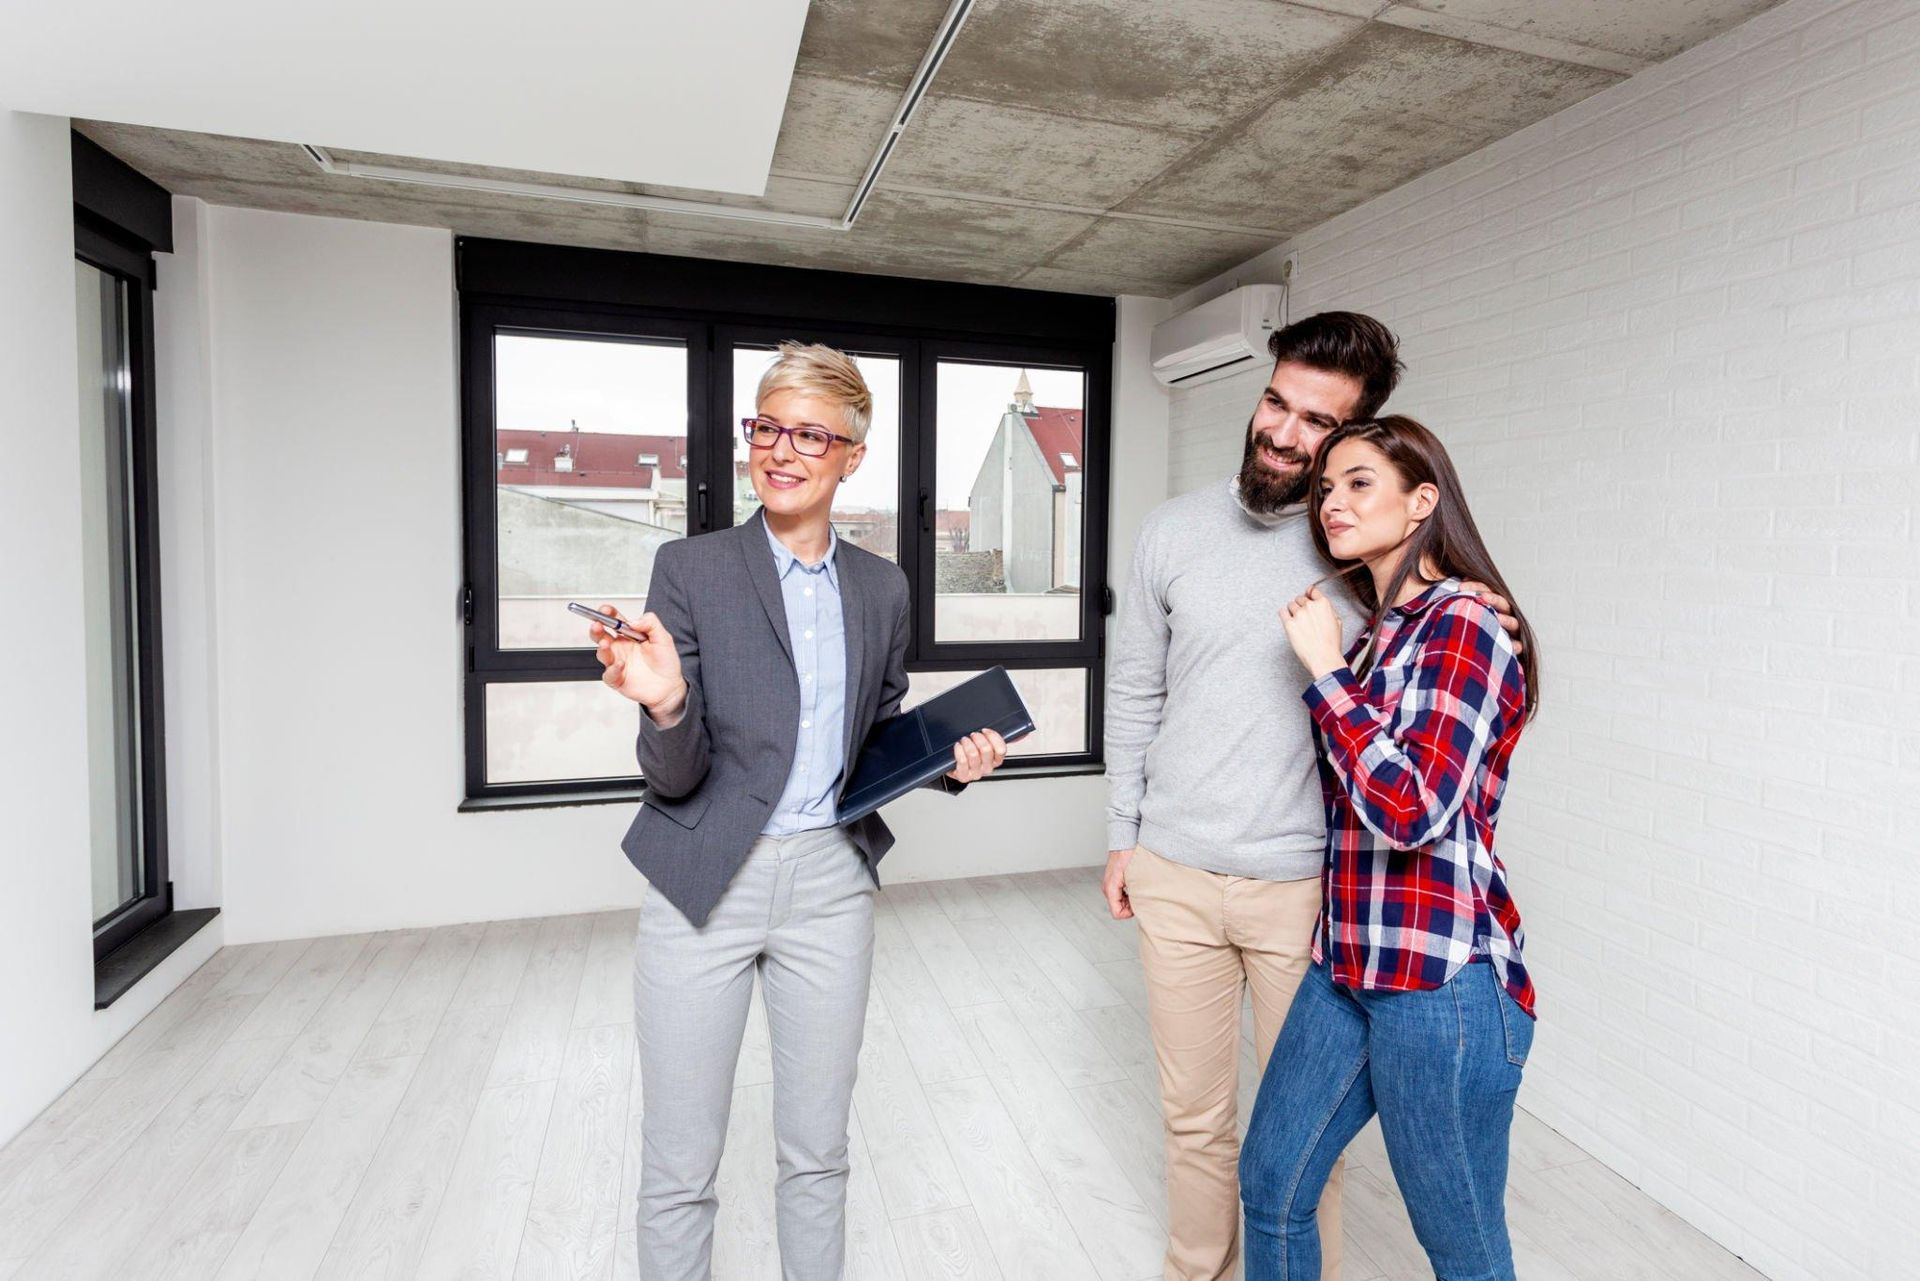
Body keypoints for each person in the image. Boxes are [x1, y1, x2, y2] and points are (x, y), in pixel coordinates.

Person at [1104, 312, 1522, 1281]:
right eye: (1275, 403)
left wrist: (1477, 600)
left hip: (1308, 890)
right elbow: (1134, 690)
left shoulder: (1357, 548)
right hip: (1172, 866)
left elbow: (1441, 642)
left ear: (1351, 439)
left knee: (1303, 1143)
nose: (1285, 433)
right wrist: (1121, 834)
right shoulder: (1171, 531)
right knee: (1198, 1119)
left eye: (1316, 423)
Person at [588, 341, 1008, 1281]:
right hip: (704, 875)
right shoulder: (689, 569)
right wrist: (664, 703)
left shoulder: (883, 587)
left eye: (810, 433)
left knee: (818, 1152)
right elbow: (675, 772)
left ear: (852, 454)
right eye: (767, 426)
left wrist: (950, 764)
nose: (782, 450)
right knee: (680, 1164)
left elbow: (877, 730)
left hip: (830, 881)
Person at [1240, 414, 1540, 1281]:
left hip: (1443, 982)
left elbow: (1410, 809)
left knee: (1462, 1246)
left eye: (1359, 482)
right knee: (1272, 1183)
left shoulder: (1466, 626)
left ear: (1422, 501)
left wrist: (1326, 674)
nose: (1332, 500)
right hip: (1349, 966)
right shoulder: (1379, 636)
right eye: (1326, 486)